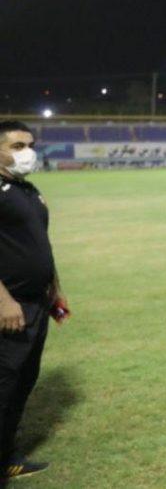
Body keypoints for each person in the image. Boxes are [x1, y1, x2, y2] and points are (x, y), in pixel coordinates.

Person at [0, 121, 69, 484]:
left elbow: (38, 241)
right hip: (9, 307)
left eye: (29, 145)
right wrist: (3, 300)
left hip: (36, 303)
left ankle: (6, 457)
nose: (27, 152)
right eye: (16, 146)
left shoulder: (26, 189)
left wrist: (54, 288)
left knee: (22, 381)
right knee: (4, 383)